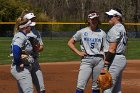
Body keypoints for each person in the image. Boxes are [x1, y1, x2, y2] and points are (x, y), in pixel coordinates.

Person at [68, 11, 106, 93]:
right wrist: (78, 52)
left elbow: (105, 50)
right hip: (86, 60)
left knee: (96, 86)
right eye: (92, 19)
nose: (94, 21)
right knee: (80, 85)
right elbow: (70, 42)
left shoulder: (102, 33)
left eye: (96, 19)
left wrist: (105, 65)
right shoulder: (82, 32)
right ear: (88, 20)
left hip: (99, 60)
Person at [103, 8, 127, 93]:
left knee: (107, 88)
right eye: (108, 16)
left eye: (110, 16)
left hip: (114, 60)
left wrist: (106, 64)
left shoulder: (115, 29)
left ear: (118, 17)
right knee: (116, 89)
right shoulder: (122, 27)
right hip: (120, 59)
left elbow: (112, 49)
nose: (108, 18)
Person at [23, 12, 46, 93]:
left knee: (41, 88)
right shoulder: (21, 33)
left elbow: (41, 47)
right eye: (31, 19)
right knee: (27, 89)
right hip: (25, 63)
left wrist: (36, 48)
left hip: (35, 62)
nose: (33, 20)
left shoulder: (36, 32)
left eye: (34, 18)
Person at [10, 19, 34, 93]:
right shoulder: (21, 36)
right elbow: (16, 48)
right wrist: (19, 62)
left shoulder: (23, 36)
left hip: (23, 69)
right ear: (26, 27)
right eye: (30, 26)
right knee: (29, 91)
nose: (31, 27)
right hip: (21, 70)